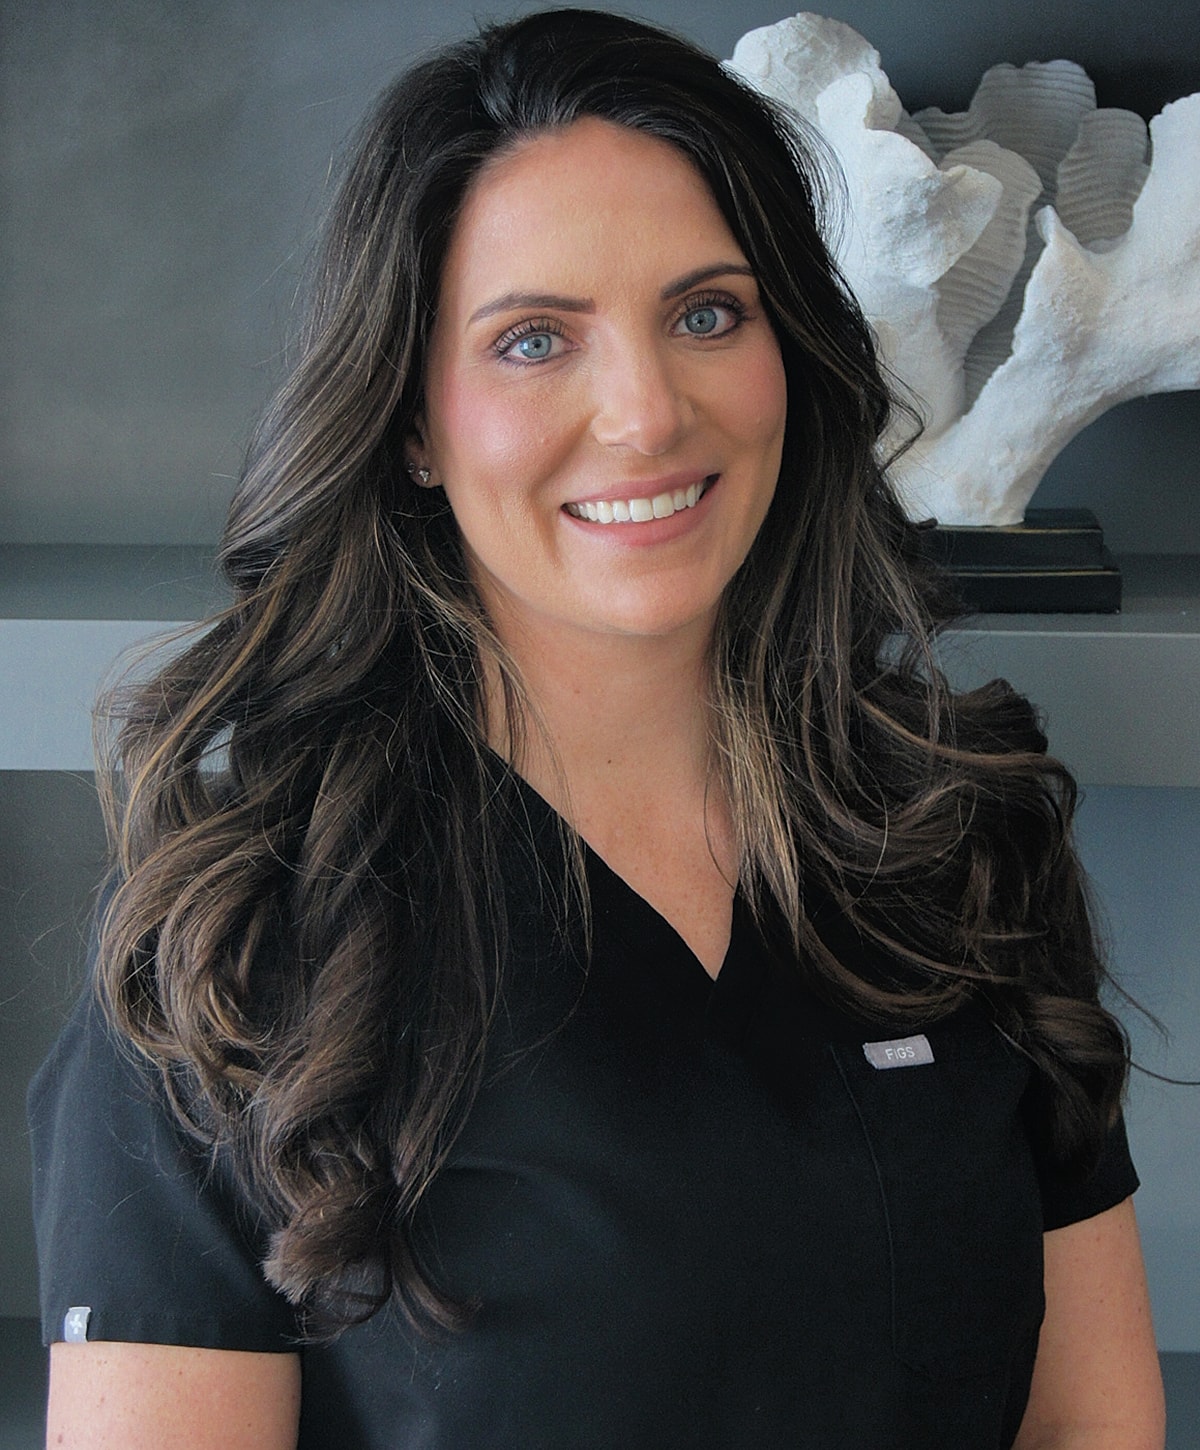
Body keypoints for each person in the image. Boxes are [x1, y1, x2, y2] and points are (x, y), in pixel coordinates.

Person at [29, 9, 1165, 1447]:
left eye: (707, 314)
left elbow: (1090, 1423)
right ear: (414, 422)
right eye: (533, 340)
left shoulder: (960, 829)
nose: (645, 414)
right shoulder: (232, 944)